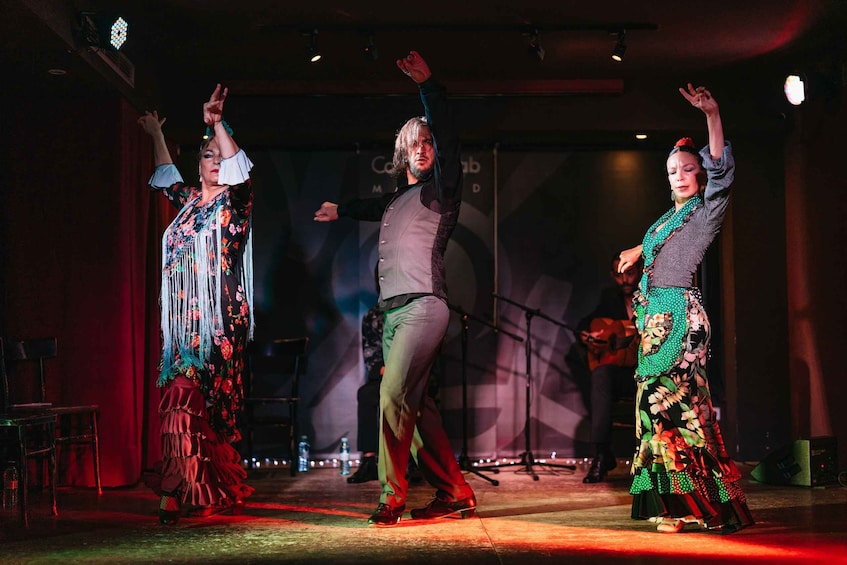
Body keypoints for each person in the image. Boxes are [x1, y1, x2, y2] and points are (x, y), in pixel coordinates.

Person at [314, 51, 475, 527]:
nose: (425, 149)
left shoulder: (440, 191)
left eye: (429, 142)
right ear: (403, 152)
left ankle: (392, 496)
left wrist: (429, 87)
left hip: (425, 307)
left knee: (391, 395)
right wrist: (341, 210)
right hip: (394, 313)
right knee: (417, 407)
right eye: (416, 144)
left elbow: (448, 139)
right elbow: (372, 205)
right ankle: (456, 492)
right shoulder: (397, 199)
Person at [617, 84, 754, 534]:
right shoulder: (667, 217)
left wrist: (712, 116)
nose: (679, 175)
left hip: (679, 320)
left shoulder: (706, 209)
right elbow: (663, 242)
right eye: (673, 169)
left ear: (700, 175)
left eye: (688, 169)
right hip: (657, 321)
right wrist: (640, 248)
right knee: (655, 409)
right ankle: (676, 506)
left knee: (678, 408)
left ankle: (709, 507)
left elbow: (722, 172)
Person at [138, 84, 255, 525]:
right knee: (180, 398)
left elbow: (242, 172)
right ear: (199, 163)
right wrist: (155, 135)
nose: (216, 160)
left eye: (222, 155)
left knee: (204, 403)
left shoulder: (235, 203)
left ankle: (194, 488)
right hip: (183, 326)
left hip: (221, 322)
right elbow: (167, 175)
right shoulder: (188, 203)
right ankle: (176, 490)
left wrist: (218, 123)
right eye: (208, 155)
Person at [578, 254, 641, 483]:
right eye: (618, 275)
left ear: (639, 271)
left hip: (645, 371)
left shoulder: (651, 297)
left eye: (630, 273)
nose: (624, 280)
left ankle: (647, 460)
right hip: (620, 372)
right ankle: (602, 454)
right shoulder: (609, 298)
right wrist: (586, 334)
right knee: (601, 375)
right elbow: (587, 322)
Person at [346, 266, 384, 484]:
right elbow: (370, 353)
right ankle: (369, 461)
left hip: (411, 375)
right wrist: (382, 367)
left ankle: (415, 462)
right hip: (384, 374)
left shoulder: (413, 311)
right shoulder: (373, 315)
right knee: (367, 394)